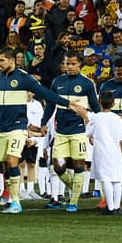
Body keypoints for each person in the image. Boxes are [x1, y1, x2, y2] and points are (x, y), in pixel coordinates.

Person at [0, 46, 79, 214]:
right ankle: (12, 198)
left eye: (2, 60)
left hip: (17, 127)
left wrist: (68, 104)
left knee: (12, 160)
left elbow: (45, 93)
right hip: (1, 129)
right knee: (6, 166)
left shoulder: (24, 78)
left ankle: (16, 202)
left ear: (12, 60)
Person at [40, 52, 100, 213]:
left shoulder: (87, 84)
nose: (70, 67)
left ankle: (73, 202)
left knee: (78, 164)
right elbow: (51, 104)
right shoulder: (57, 82)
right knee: (58, 166)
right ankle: (76, 188)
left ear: (79, 64)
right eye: (68, 64)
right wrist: (43, 122)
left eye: (73, 63)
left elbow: (95, 108)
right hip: (61, 132)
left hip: (79, 131)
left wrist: (94, 129)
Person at [86, 93, 122, 214]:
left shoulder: (96, 117)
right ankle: (116, 206)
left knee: (106, 180)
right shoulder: (117, 118)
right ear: (113, 104)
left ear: (99, 103)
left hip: (102, 152)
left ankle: (110, 207)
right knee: (117, 179)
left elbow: (88, 132)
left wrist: (85, 117)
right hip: (116, 151)